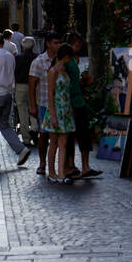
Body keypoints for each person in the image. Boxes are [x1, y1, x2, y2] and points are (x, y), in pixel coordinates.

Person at [0, 32, 31, 170]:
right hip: (8, 94)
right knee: (4, 125)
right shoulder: (10, 56)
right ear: (3, 43)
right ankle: (21, 149)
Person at [64, 30, 103, 179]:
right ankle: (71, 166)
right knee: (71, 135)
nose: (79, 48)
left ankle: (85, 166)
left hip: (78, 100)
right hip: (72, 102)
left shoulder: (74, 59)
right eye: (77, 45)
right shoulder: (66, 61)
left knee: (83, 134)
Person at [41, 43, 77, 182]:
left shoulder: (64, 71)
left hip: (65, 110)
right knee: (54, 143)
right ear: (66, 57)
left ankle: (61, 172)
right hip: (56, 109)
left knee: (63, 143)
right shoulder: (53, 72)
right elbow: (50, 95)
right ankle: (52, 171)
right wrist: (53, 116)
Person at [28, 31, 61, 175]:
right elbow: (31, 85)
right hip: (44, 104)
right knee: (44, 135)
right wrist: (32, 105)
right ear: (48, 44)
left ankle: (60, 164)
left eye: (59, 42)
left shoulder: (62, 61)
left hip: (60, 105)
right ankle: (42, 163)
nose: (58, 45)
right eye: (56, 42)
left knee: (61, 136)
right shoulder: (38, 62)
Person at [14, 35, 37, 146]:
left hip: (20, 86)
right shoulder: (37, 57)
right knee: (34, 107)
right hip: (35, 86)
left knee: (22, 111)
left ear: (22, 46)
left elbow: (15, 72)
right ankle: (35, 129)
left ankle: (26, 137)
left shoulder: (18, 58)